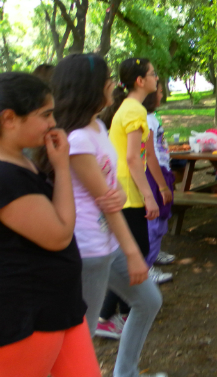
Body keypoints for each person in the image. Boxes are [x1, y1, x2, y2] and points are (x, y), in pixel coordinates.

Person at [50, 54, 165, 377]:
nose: (113, 86)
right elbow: (107, 202)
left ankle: (124, 372)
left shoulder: (97, 125)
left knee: (148, 301)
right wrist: (132, 252)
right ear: (91, 88)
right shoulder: (77, 139)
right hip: (89, 249)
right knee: (80, 337)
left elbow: (110, 193)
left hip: (107, 241)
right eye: (108, 81)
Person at [0, 72, 101, 377]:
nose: (52, 123)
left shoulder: (21, 160)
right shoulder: (4, 177)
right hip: (28, 314)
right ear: (9, 118)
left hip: (60, 305)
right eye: (45, 114)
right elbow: (58, 235)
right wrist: (61, 165)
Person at [97, 58, 162, 340]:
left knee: (131, 250)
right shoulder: (134, 110)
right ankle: (112, 315)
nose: (156, 78)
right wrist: (149, 196)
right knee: (133, 252)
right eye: (152, 74)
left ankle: (114, 312)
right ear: (140, 81)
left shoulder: (128, 107)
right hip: (127, 190)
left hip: (122, 187)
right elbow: (133, 158)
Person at [142, 83, 176, 282]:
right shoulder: (145, 120)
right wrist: (161, 184)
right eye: (161, 91)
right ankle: (147, 266)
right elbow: (148, 155)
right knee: (155, 220)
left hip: (162, 170)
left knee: (162, 215)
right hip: (154, 174)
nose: (163, 94)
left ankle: (154, 253)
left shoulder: (152, 118)